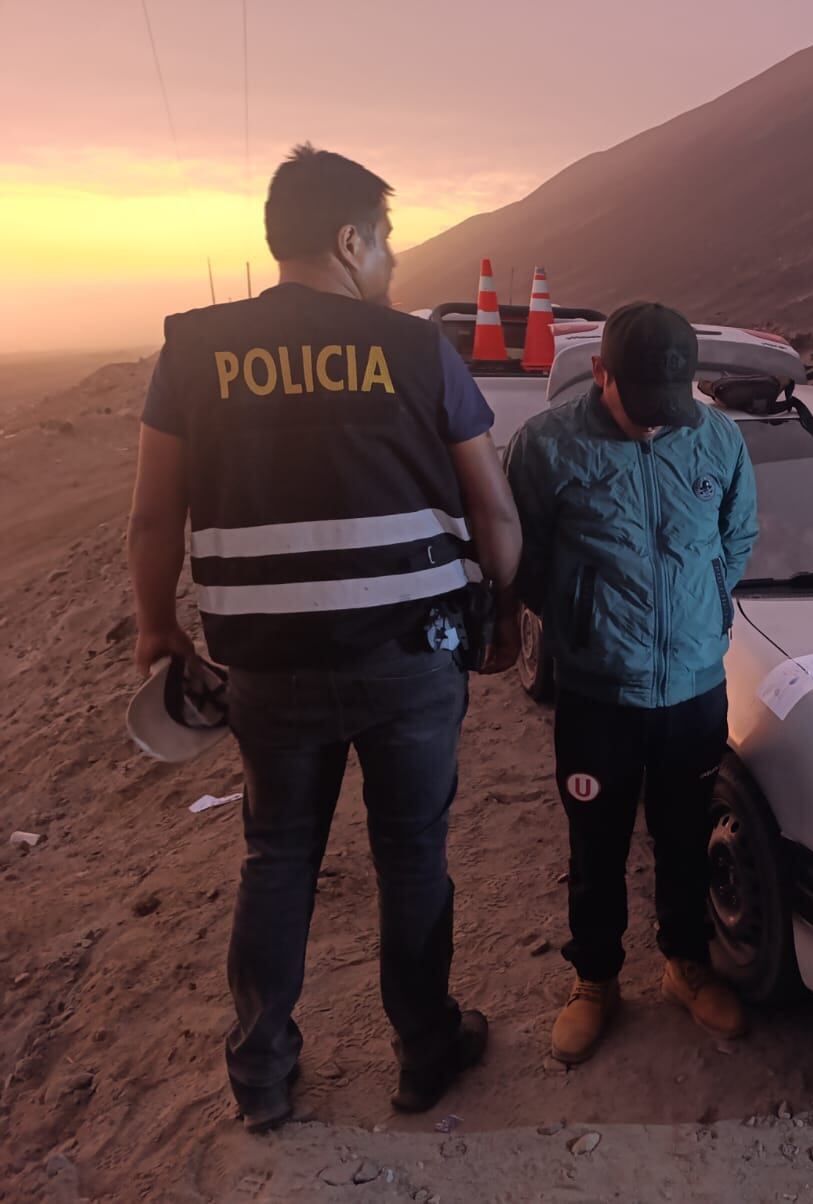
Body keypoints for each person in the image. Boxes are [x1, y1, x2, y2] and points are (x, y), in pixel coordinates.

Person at [126, 145, 523, 1131]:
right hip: (407, 660)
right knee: (412, 856)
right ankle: (424, 1051)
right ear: (351, 239)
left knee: (279, 855)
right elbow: (495, 514)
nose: (388, 260)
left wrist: (157, 628)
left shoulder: (192, 350)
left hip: (266, 669)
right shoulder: (416, 349)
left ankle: (261, 1074)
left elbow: (149, 520)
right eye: (384, 240)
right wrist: (505, 607)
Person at [504, 301, 759, 1065]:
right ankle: (595, 980)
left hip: (692, 688)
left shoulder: (715, 436)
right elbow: (524, 556)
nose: (657, 423)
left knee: (683, 835)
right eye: (641, 404)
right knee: (597, 841)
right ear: (599, 373)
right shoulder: (546, 447)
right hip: (597, 694)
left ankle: (685, 966)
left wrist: (698, 607)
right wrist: (584, 621)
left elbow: (737, 535)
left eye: (669, 406)